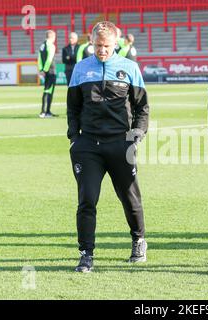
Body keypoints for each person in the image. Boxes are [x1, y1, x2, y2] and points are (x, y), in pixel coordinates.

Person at [67, 21, 150, 273]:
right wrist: (74, 137)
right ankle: (86, 254)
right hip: (88, 147)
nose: (101, 50)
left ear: (116, 44)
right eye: (97, 45)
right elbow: (73, 107)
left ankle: (138, 240)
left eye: (106, 46)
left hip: (120, 144)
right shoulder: (81, 69)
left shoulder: (129, 68)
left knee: (129, 197)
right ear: (90, 43)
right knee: (87, 200)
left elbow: (142, 108)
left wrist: (136, 134)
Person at [37, 30, 57, 118]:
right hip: (51, 71)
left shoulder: (42, 45)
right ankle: (47, 112)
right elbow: (49, 59)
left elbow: (39, 59)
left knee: (46, 90)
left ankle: (43, 111)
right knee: (50, 91)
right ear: (52, 37)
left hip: (44, 71)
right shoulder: (51, 46)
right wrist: (45, 70)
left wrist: (41, 69)